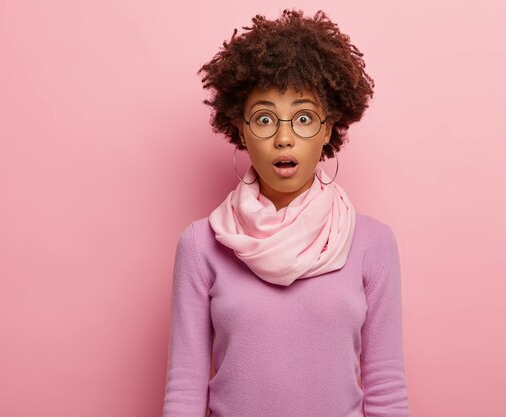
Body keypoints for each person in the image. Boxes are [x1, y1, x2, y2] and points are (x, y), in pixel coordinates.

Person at [162, 9, 409, 417]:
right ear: (240, 130)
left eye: (304, 118)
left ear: (328, 129)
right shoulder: (200, 244)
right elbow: (185, 392)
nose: (283, 138)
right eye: (263, 118)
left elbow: (386, 389)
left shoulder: (373, 244)